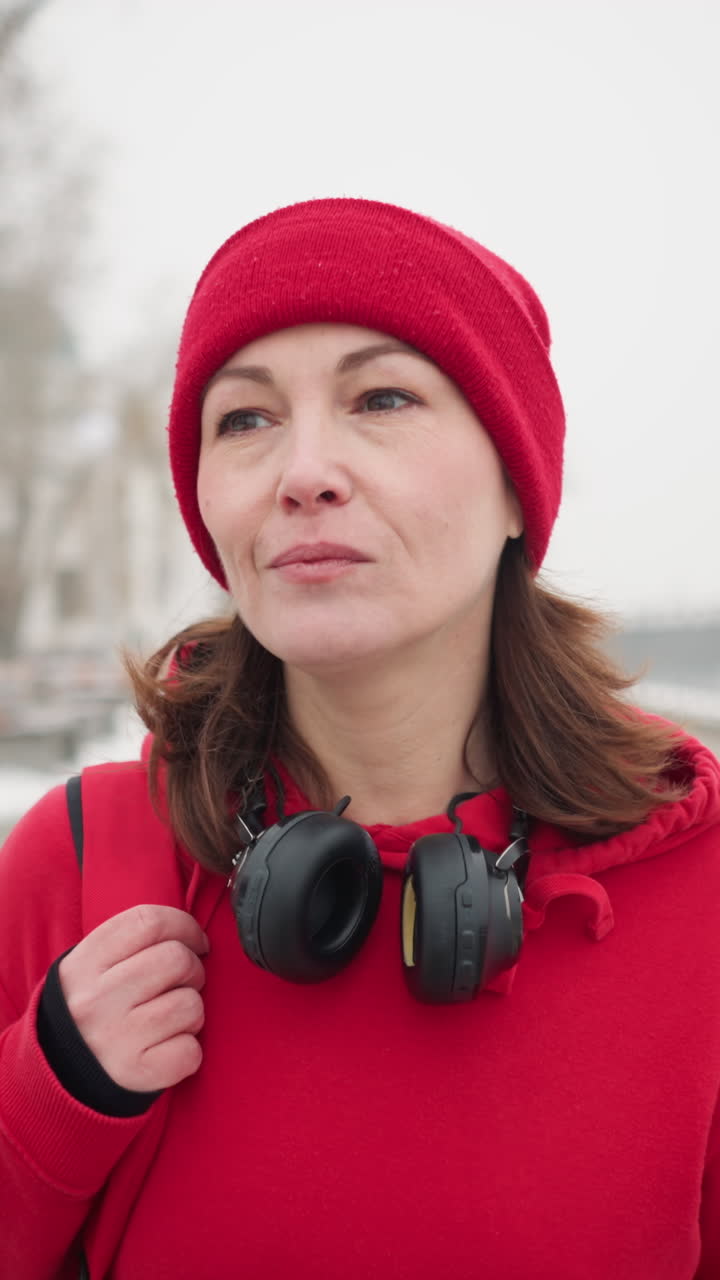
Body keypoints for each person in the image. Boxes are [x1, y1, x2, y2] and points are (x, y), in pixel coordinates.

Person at [1, 197, 719, 1280]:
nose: (303, 471)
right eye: (245, 419)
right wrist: (44, 1100)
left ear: (518, 481)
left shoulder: (701, 884)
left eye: (381, 396)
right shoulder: (85, 857)